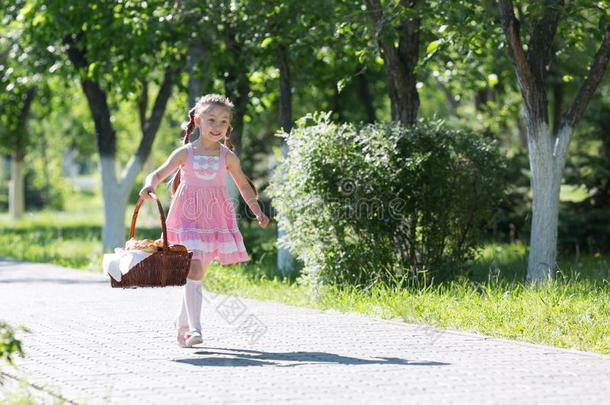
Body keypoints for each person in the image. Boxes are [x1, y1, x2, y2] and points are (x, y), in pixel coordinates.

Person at [139, 94, 270, 347]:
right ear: (198, 120)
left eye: (223, 121)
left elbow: (244, 186)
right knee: (194, 268)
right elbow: (157, 174)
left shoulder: (227, 157)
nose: (217, 126)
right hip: (186, 219)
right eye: (211, 119)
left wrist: (257, 211)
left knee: (196, 275)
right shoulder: (185, 153)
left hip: (215, 221)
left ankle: (181, 323)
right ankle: (195, 331)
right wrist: (148, 186)